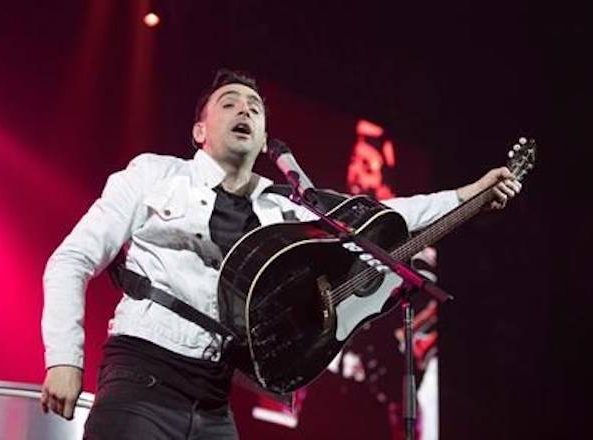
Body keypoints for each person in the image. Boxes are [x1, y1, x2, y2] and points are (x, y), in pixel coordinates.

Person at [39, 69, 521, 439]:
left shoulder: (284, 204)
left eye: (254, 106)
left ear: (265, 136)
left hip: (214, 399)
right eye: (229, 104)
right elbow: (71, 259)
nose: (244, 111)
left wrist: (467, 195)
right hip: (142, 378)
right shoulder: (152, 175)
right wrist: (64, 359)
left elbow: (382, 213)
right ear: (199, 132)